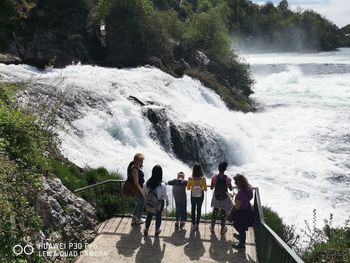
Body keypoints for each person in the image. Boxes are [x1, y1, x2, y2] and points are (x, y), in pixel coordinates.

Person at [143, 165, 169, 236]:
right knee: (158, 216)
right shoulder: (162, 185)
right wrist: (167, 201)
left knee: (149, 215)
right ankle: (157, 230)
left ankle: (146, 229)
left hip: (149, 202)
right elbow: (164, 195)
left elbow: (144, 193)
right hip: (159, 203)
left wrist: (147, 200)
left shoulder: (146, 183)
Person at [231, 174, 254, 250]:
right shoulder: (249, 188)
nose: (235, 184)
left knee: (240, 227)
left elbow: (237, 206)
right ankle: (241, 237)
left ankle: (242, 245)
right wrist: (237, 197)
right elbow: (250, 197)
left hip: (241, 212)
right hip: (247, 210)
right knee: (242, 227)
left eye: (236, 183)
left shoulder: (241, 193)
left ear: (239, 183)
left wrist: (232, 199)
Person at [210, 161, 233, 234]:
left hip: (216, 197)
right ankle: (222, 229)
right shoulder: (228, 178)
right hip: (224, 197)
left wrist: (213, 184)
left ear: (218, 168)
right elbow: (230, 189)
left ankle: (212, 228)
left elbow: (211, 187)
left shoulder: (214, 177)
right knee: (223, 213)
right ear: (225, 169)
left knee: (215, 212)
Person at [187, 163, 207, 231]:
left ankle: (193, 224)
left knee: (193, 209)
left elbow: (188, 188)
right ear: (200, 170)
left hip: (193, 195)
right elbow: (205, 189)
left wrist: (193, 187)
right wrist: (201, 187)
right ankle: (197, 225)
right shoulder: (203, 179)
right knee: (199, 209)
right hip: (201, 195)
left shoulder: (190, 179)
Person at [128, 153, 145, 226]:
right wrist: (142, 191)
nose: (142, 162)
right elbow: (136, 182)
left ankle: (134, 219)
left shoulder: (134, 167)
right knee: (141, 203)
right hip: (138, 190)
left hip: (137, 189)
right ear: (137, 161)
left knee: (138, 203)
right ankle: (138, 219)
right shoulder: (135, 169)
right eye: (141, 160)